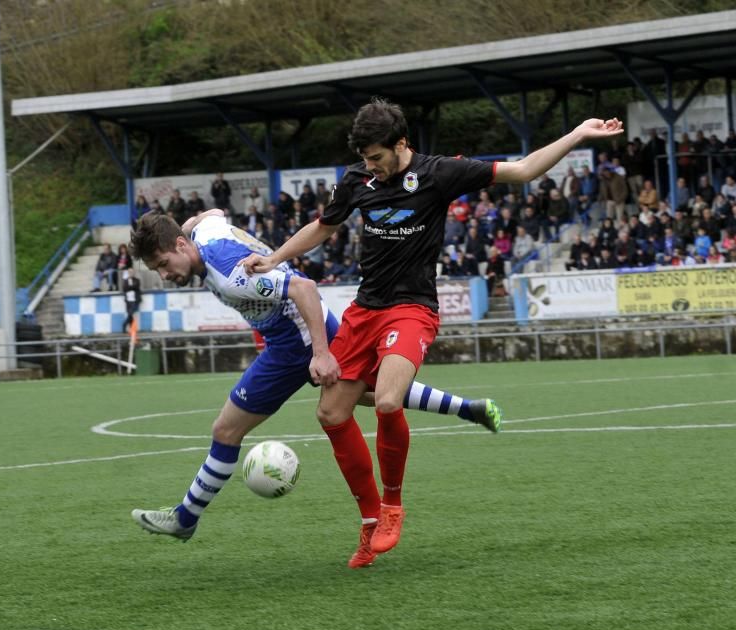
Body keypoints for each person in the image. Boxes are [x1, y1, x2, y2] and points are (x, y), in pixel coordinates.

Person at [241, 98, 622, 567]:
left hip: (411, 309)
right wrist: (275, 257)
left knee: (386, 400)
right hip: (365, 310)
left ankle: (393, 506)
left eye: (378, 158)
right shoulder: (357, 180)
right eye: (364, 159)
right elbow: (324, 226)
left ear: (402, 144)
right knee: (330, 412)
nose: (371, 167)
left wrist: (579, 134)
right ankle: (369, 521)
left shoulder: (441, 173)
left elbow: (522, 171)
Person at [129, 210, 502, 549]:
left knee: (227, 430)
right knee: (372, 393)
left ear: (180, 245)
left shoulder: (230, 275)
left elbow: (303, 289)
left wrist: (321, 354)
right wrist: (191, 224)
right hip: (304, 330)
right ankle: (468, 409)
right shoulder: (205, 234)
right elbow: (214, 214)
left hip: (296, 342)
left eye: (164, 264)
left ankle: (185, 517)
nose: (164, 275)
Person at [121, 267, 142, 333]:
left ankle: (124, 325)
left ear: (134, 273)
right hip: (128, 300)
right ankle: (131, 329)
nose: (131, 273)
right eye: (129, 272)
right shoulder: (125, 280)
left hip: (135, 300)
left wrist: (129, 287)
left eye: (132, 272)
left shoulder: (137, 280)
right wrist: (131, 287)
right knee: (130, 314)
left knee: (130, 314)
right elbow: (124, 288)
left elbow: (136, 286)